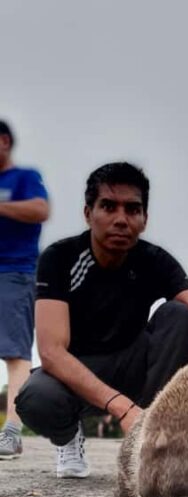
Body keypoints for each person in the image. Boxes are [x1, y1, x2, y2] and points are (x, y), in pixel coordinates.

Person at [16, 161, 188, 478]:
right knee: (35, 398)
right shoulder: (59, 259)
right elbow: (51, 351)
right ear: (89, 214)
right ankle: (70, 438)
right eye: (108, 207)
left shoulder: (155, 260)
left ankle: (157, 437)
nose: (121, 220)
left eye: (132, 209)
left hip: (135, 365)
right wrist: (122, 408)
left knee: (180, 314)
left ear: (144, 219)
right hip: (75, 371)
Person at [0, 120, 49, 460]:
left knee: (15, 352)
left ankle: (12, 432)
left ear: (3, 142)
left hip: (14, 272)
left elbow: (40, 210)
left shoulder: (24, 178)